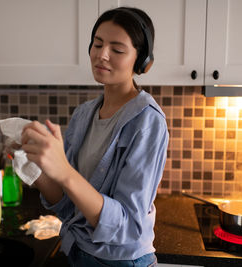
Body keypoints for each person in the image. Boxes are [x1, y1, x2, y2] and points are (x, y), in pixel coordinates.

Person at [20, 7, 168, 266]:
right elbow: (68, 207)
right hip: (78, 254)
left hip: (123, 261)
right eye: (97, 44)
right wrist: (39, 169)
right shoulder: (84, 114)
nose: (102, 55)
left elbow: (128, 226)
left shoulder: (148, 122)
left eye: (117, 50)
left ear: (141, 61)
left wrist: (64, 171)